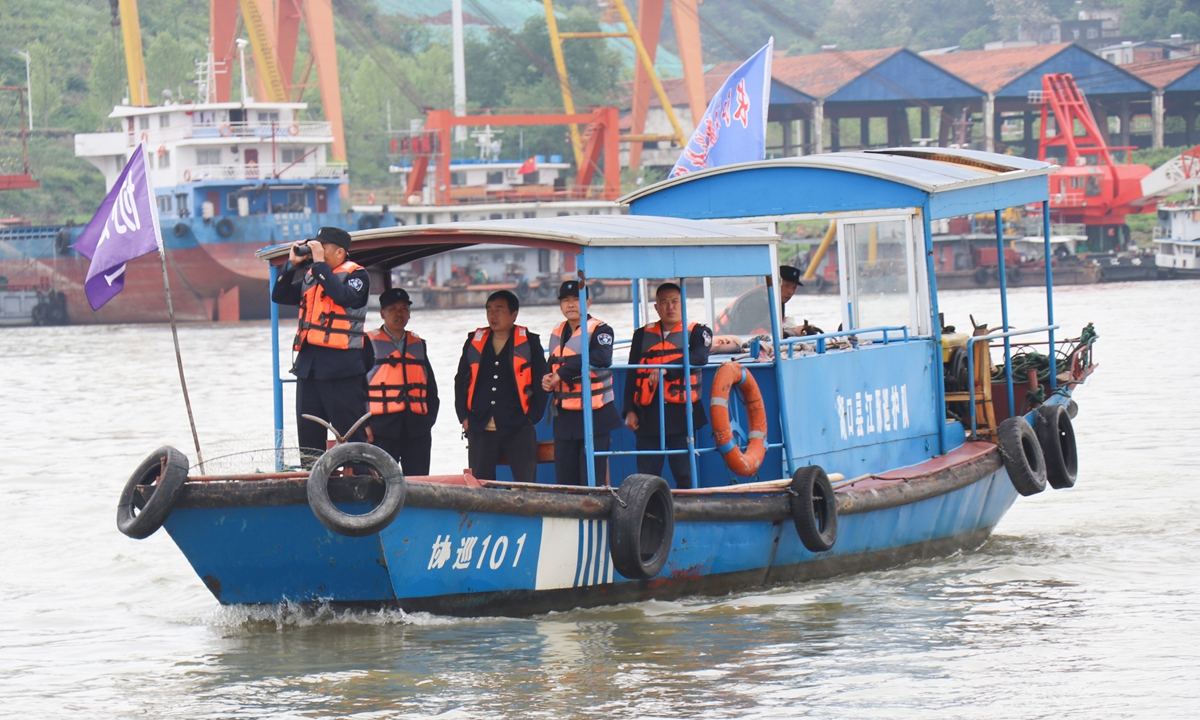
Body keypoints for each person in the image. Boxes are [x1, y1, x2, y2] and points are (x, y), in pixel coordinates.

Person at [271, 226, 370, 464]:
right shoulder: (312, 277)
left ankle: (359, 478)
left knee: (350, 432)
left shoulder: (357, 276)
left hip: (341, 369)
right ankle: (312, 478)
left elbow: (343, 296)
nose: (316, 251)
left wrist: (319, 266)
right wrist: (291, 265)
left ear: (339, 252)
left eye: (321, 247)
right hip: (309, 368)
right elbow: (280, 296)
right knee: (309, 434)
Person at [623, 282, 712, 489]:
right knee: (646, 475)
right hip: (648, 415)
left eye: (675, 302)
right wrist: (629, 409)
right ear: (656, 308)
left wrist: (666, 368)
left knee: (684, 472)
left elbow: (699, 357)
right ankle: (647, 514)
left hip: (683, 415)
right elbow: (632, 372)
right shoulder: (641, 335)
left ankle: (691, 510)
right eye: (664, 302)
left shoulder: (698, 332)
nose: (670, 307)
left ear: (683, 305)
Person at [454, 290, 549, 482]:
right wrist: (464, 416)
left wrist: (533, 416)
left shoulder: (530, 343)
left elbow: (541, 381)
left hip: (518, 427)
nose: (493, 315)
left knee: (525, 485)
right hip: (480, 427)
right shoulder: (474, 341)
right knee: (481, 486)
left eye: (499, 309)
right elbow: (460, 380)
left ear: (514, 315)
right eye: (489, 309)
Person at [543, 281, 620, 486]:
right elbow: (552, 362)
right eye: (565, 300)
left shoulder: (601, 330)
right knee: (566, 479)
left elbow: (602, 358)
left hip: (595, 414)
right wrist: (547, 378)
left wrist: (562, 374)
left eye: (576, 299)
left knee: (591, 477)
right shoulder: (557, 332)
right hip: (565, 418)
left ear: (588, 302)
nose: (570, 304)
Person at [365, 288, 439, 476]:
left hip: (416, 429)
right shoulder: (366, 343)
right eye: (393, 309)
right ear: (382, 313)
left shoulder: (419, 344)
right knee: (381, 485)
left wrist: (428, 421)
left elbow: (431, 389)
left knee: (419, 484)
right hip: (380, 429)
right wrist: (364, 426)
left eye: (404, 309)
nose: (399, 313)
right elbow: (355, 390)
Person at [712, 265, 804, 337]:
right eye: (787, 286)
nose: (791, 292)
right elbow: (742, 335)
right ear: (774, 283)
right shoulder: (756, 301)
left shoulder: (778, 300)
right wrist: (792, 333)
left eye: (794, 287)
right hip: (722, 343)